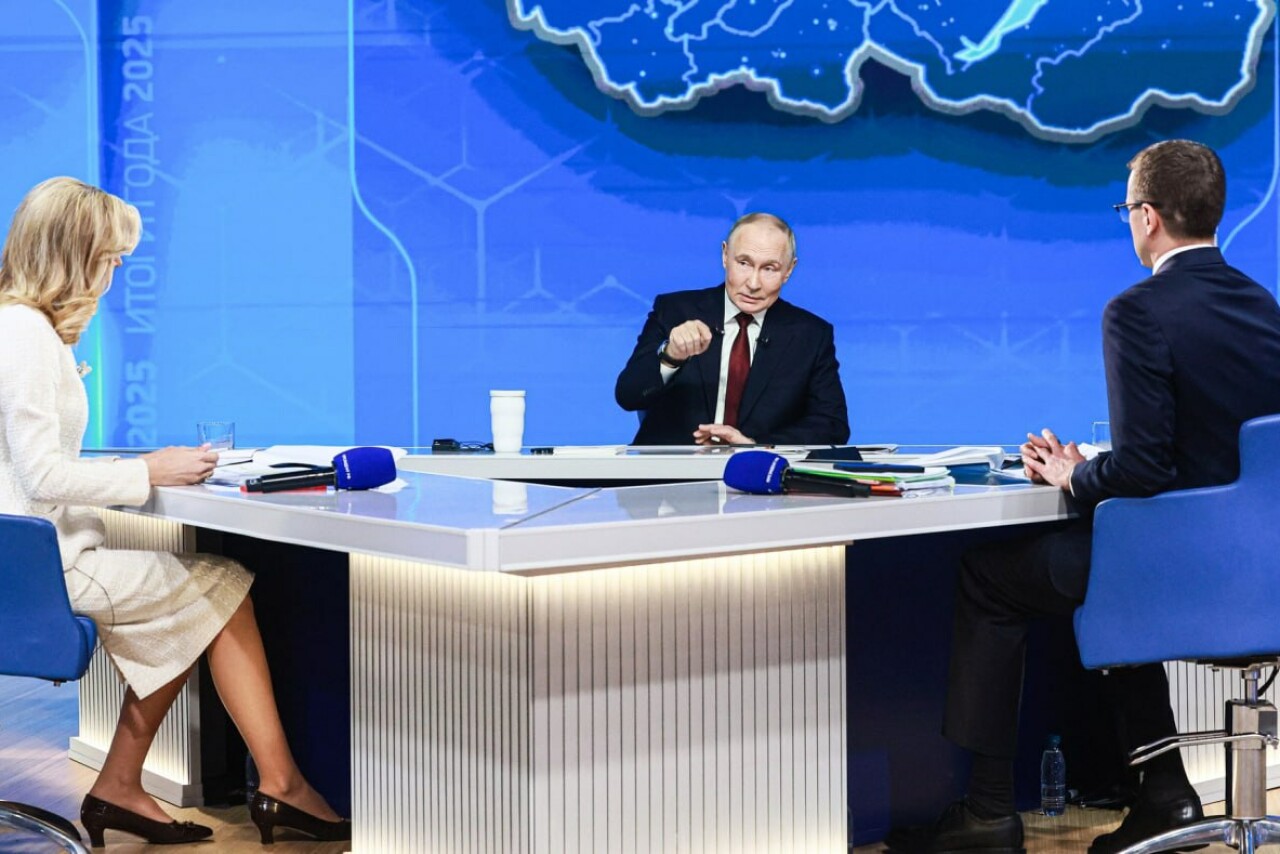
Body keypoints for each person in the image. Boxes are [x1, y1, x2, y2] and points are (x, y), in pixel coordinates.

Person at [887, 140, 1280, 854]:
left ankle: (988, 814)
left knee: (991, 579)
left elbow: (1144, 471)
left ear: (1148, 217)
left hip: (1177, 568)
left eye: (1126, 209)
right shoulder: (1263, 305)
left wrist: (1074, 476)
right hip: (1259, 575)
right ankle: (1164, 795)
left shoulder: (1137, 310)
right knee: (1114, 564)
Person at [0, 177, 350, 847]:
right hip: (42, 575)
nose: (114, 272)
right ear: (74, 254)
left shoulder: (19, 327)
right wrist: (149, 473)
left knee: (195, 601)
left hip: (29, 569)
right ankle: (281, 785)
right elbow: (40, 476)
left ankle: (122, 786)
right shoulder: (23, 334)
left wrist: (139, 466)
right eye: (110, 257)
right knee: (222, 587)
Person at [615, 212, 850, 445]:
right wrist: (671, 357)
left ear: (789, 270)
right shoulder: (675, 311)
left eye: (769, 268)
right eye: (744, 263)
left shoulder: (811, 334)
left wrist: (754, 445)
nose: (753, 284)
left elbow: (832, 424)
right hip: (673, 466)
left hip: (758, 467)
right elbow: (628, 396)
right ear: (725, 255)